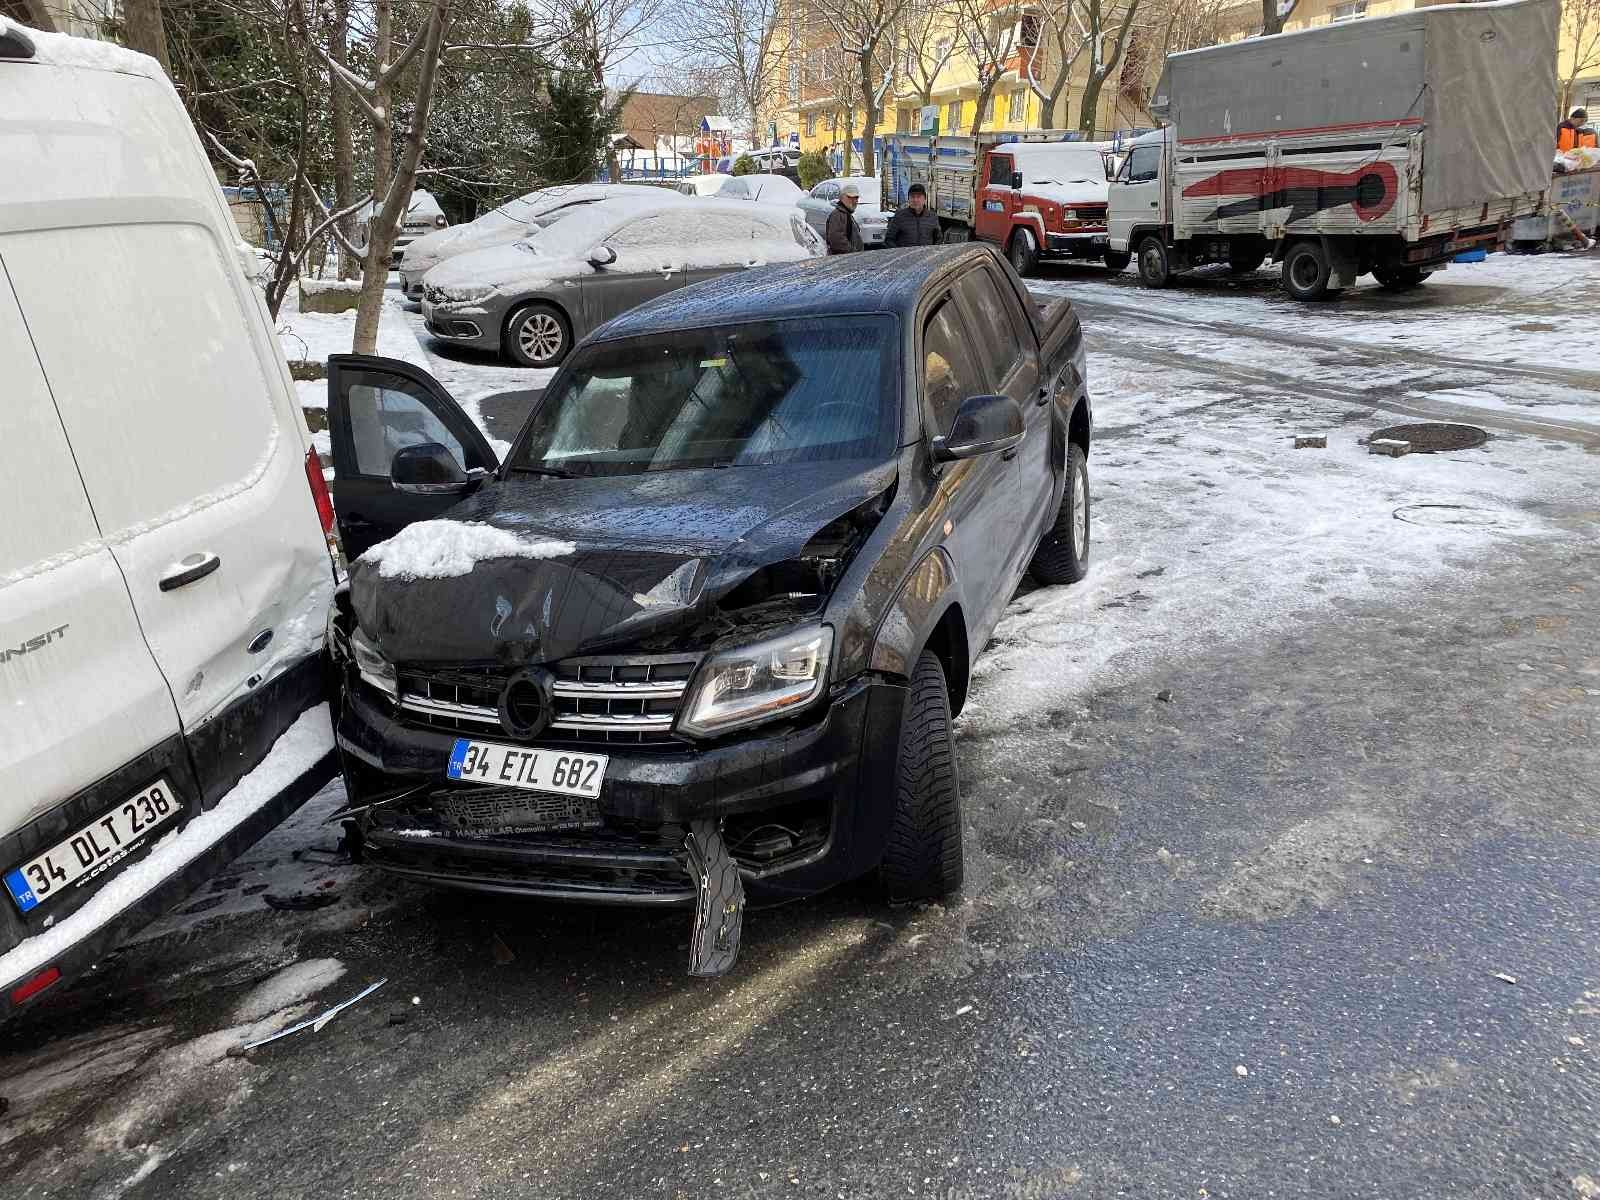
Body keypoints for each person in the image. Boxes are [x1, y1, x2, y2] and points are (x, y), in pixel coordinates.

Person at [884, 182, 942, 248]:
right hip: (905, 257)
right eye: (912, 197)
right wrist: (899, 253)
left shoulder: (932, 217)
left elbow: (938, 239)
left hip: (926, 257)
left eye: (919, 197)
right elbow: (889, 240)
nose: (915, 200)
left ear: (925, 199)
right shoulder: (899, 216)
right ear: (908, 199)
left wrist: (932, 253)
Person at [825, 181, 864, 255]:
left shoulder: (846, 213)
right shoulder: (837, 215)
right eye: (850, 197)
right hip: (844, 261)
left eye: (856, 197)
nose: (855, 201)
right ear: (842, 197)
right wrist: (853, 253)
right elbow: (836, 241)